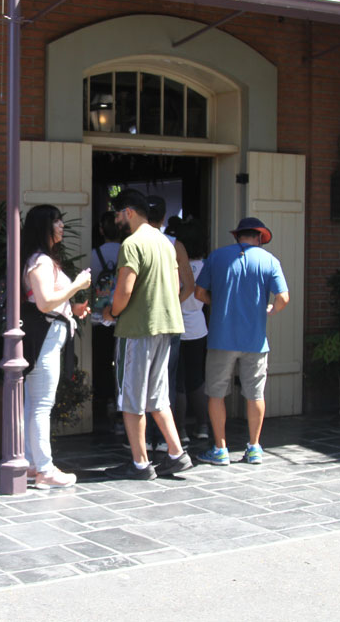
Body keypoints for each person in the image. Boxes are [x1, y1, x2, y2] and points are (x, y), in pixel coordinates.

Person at [100, 189, 192, 480]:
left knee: (131, 397)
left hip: (137, 329)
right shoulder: (166, 243)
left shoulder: (132, 243)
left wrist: (110, 313)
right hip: (166, 327)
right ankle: (176, 454)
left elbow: (124, 291)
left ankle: (140, 463)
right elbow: (177, 287)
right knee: (157, 396)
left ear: (128, 212)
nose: (116, 220)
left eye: (117, 214)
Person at [194, 217, 289, 466]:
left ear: (238, 236)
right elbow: (283, 297)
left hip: (221, 338)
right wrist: (271, 309)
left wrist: (219, 303)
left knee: (216, 394)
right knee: (255, 394)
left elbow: (199, 292)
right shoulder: (270, 261)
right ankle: (255, 447)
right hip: (255, 340)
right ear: (259, 237)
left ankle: (220, 449)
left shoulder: (217, 257)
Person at [21, 205, 91, 489]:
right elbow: (44, 301)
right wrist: (76, 285)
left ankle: (31, 464)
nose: (62, 225)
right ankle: (45, 470)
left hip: (48, 332)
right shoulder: (41, 261)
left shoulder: (40, 259)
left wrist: (71, 307)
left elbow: (49, 301)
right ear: (44, 227)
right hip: (45, 335)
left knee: (34, 404)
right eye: (56, 221)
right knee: (40, 405)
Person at [145, 195, 195, 452]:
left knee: (140, 380)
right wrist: (172, 304)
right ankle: (167, 438)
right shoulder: (175, 245)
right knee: (168, 381)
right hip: (171, 322)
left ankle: (144, 439)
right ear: (164, 217)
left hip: (143, 322)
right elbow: (189, 286)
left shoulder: (135, 242)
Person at [174, 221, 209, 441]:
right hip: (199, 326)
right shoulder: (206, 266)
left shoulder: (177, 267)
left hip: (177, 326)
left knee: (178, 380)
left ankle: (180, 430)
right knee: (197, 379)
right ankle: (203, 426)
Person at [90, 211, 120, 431]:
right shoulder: (126, 251)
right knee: (120, 363)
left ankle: (101, 401)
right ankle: (119, 404)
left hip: (99, 316)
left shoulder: (93, 254)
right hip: (122, 316)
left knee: (100, 361)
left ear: (101, 230)